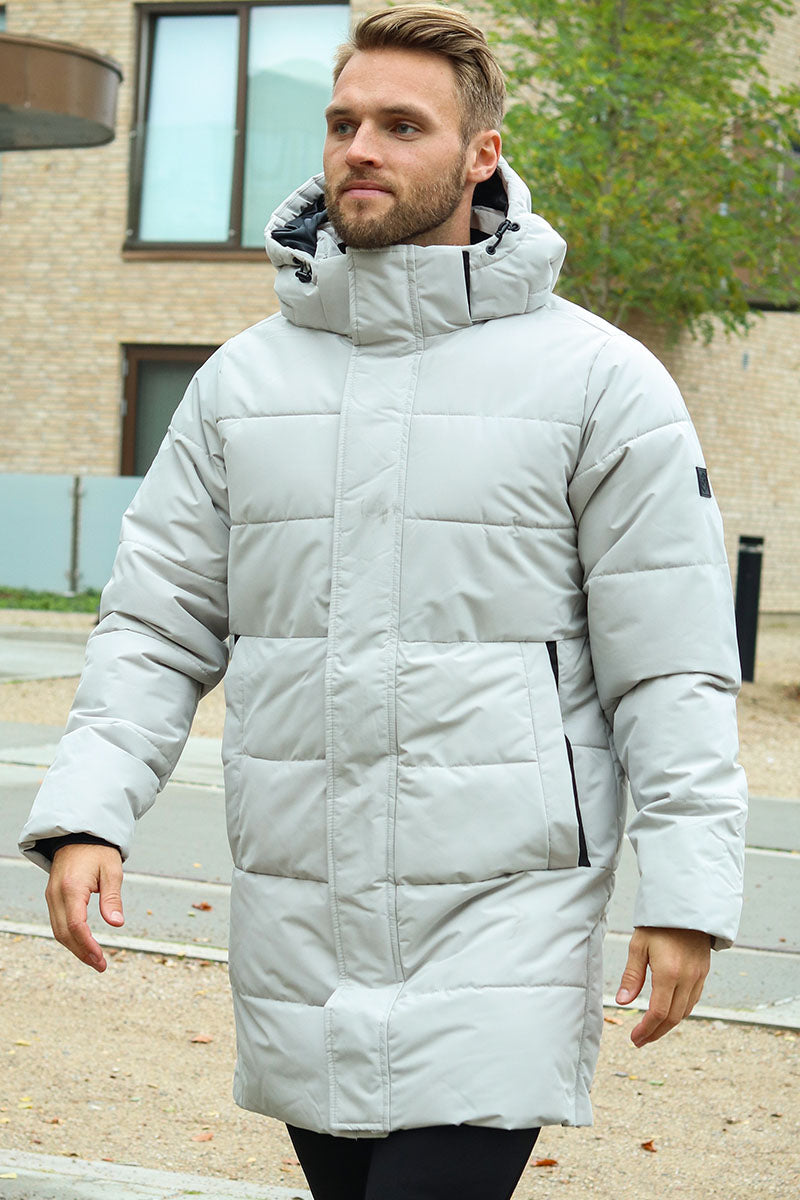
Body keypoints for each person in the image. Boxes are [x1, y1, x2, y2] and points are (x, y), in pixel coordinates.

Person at [20, 6, 747, 1199]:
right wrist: (88, 811)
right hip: (300, 918)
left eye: (402, 125)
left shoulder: (600, 382)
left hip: (503, 915)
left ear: (480, 156)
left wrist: (686, 895)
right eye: (343, 121)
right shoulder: (242, 384)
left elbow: (667, 664)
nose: (360, 147)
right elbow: (155, 625)